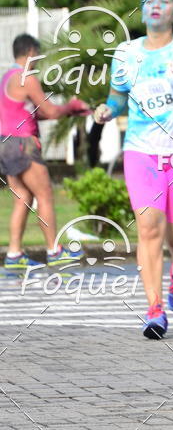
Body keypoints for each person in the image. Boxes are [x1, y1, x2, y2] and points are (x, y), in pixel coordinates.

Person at [94, 0, 173, 338]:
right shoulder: (126, 52)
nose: (156, 6)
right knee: (149, 227)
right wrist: (108, 109)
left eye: (164, 2)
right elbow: (117, 96)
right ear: (142, 11)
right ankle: (154, 308)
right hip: (140, 151)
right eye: (150, 1)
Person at [0, 33, 90, 271]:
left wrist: (69, 111)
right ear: (31, 52)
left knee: (23, 198)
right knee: (45, 195)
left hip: (5, 144)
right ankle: (54, 251)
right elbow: (49, 111)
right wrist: (72, 106)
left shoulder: (7, 78)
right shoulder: (26, 77)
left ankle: (13, 254)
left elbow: (34, 112)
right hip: (23, 144)